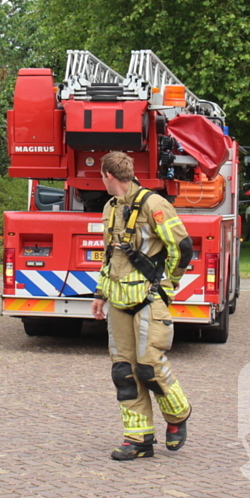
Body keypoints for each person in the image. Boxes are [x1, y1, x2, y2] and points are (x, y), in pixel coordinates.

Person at [91, 151, 194, 461]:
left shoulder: (154, 205)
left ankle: (178, 414)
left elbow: (182, 248)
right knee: (123, 371)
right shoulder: (110, 208)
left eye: (102, 177)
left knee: (148, 367)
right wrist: (100, 294)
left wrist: (167, 286)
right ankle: (138, 439)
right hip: (119, 300)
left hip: (149, 299)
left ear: (108, 176)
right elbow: (112, 257)